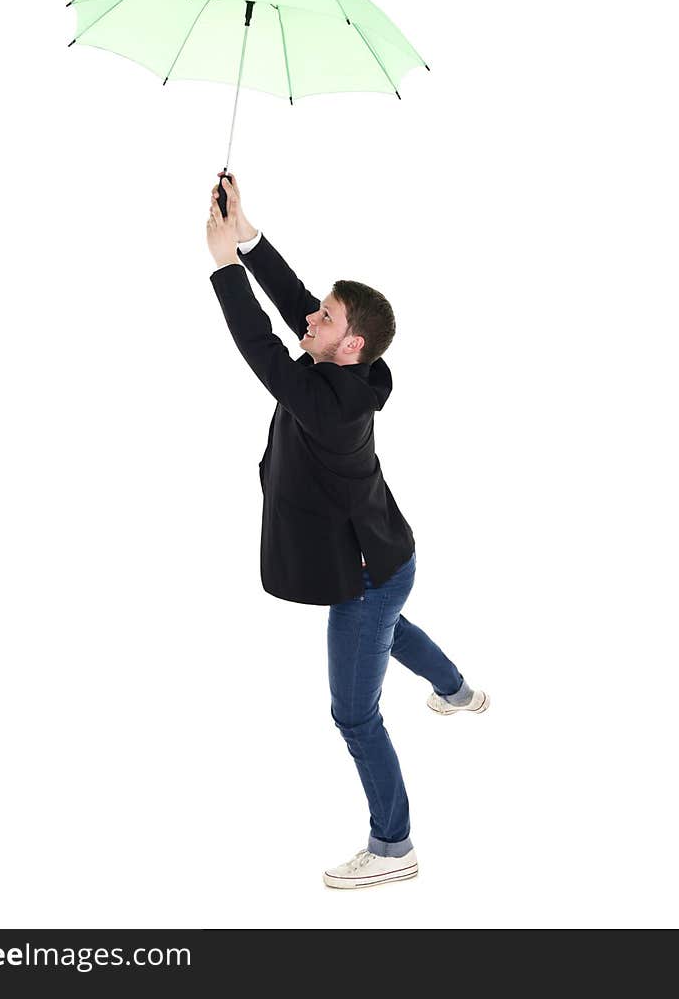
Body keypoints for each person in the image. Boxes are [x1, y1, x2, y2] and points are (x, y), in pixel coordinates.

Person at [206, 174, 489, 890]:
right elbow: (294, 303)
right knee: (390, 629)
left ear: (350, 342)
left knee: (355, 714)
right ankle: (457, 692)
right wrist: (246, 233)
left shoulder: (329, 404)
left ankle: (393, 845)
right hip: (391, 558)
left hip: (366, 574)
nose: (311, 320)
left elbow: (262, 347)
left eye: (324, 318)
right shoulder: (346, 363)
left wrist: (221, 267)